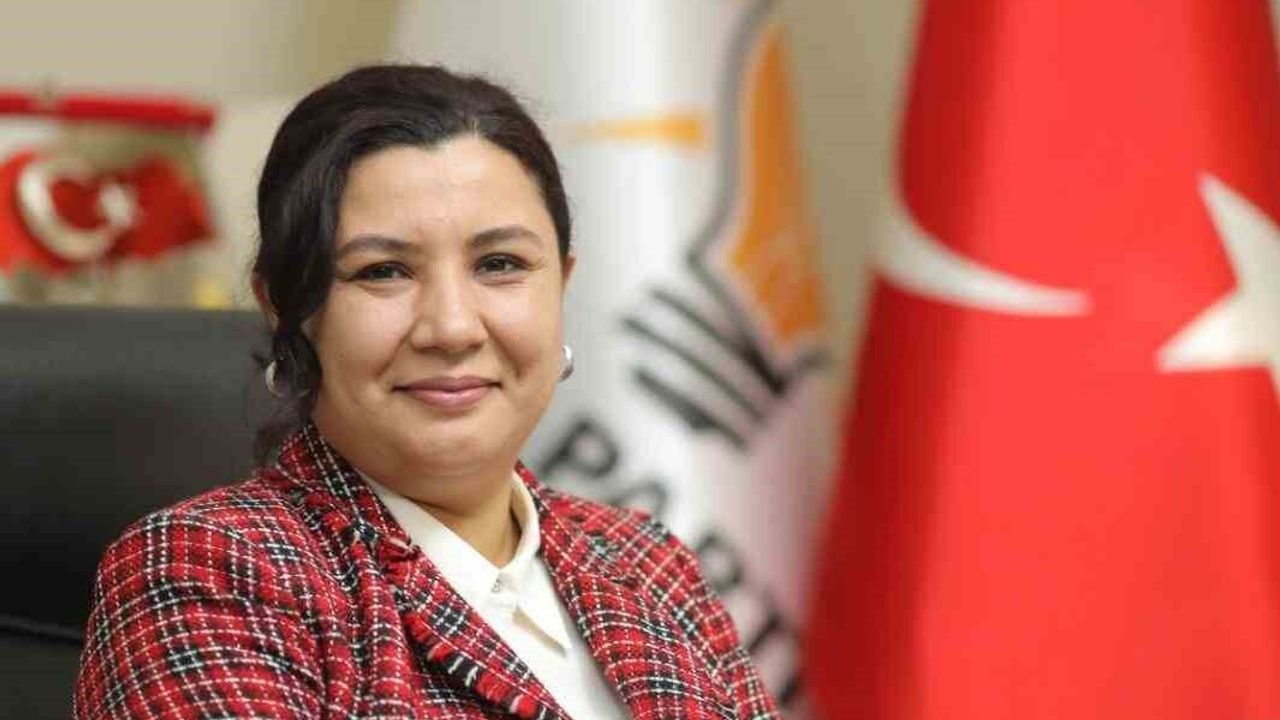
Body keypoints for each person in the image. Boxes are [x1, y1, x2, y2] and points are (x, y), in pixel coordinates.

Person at [73, 64, 780, 720]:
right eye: (383, 271)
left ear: (560, 286)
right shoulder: (207, 571)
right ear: (287, 309)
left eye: (499, 263)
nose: (451, 327)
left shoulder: (647, 564)